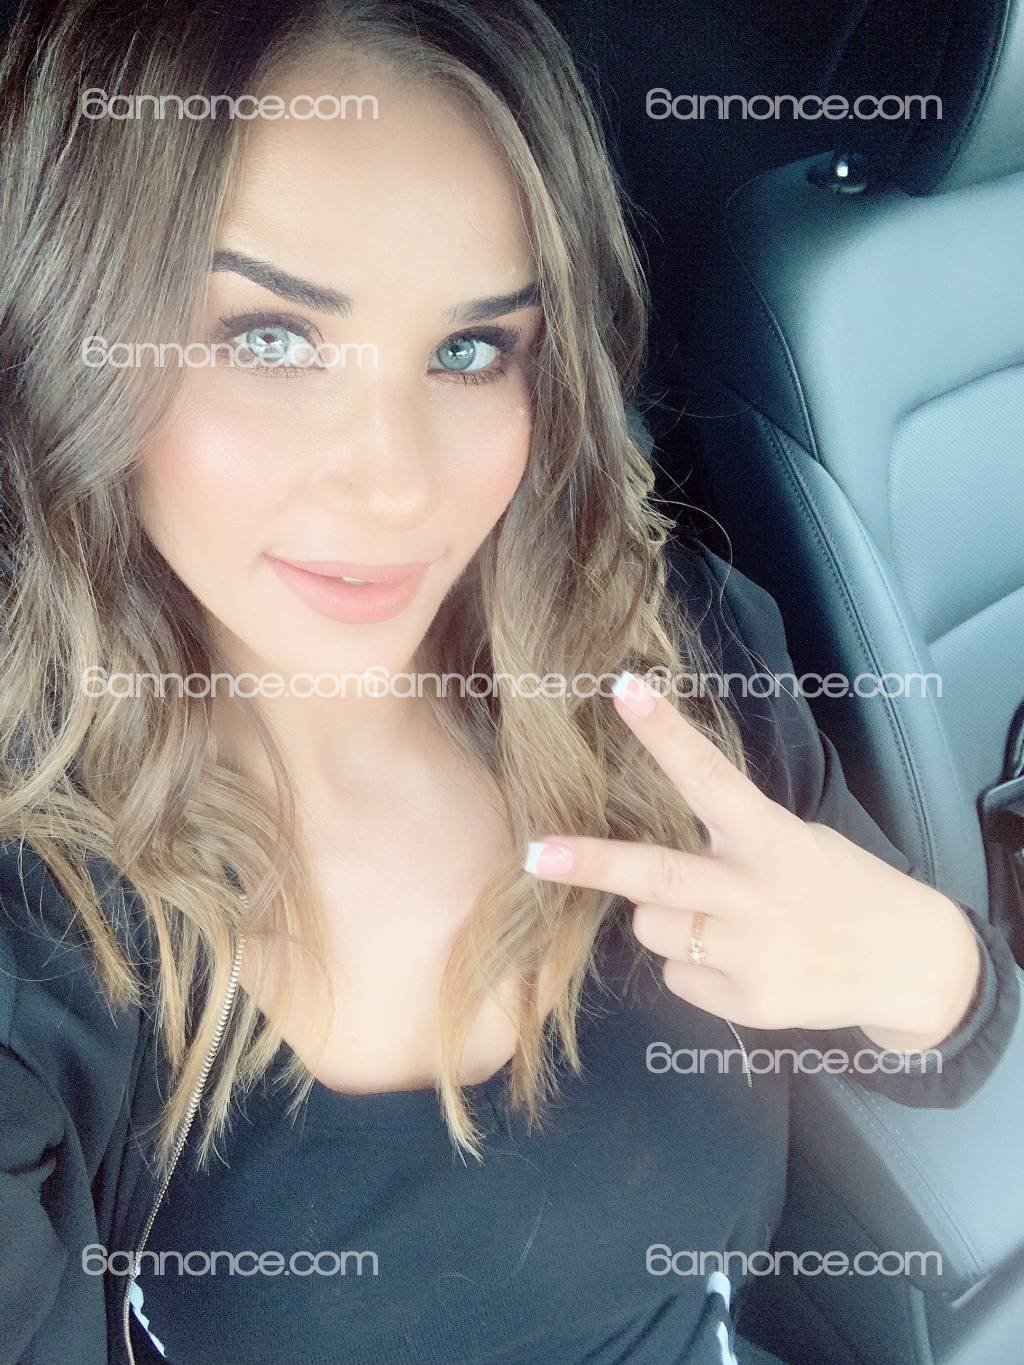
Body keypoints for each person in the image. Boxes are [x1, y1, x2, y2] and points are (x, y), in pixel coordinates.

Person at [0, 2, 1017, 1363]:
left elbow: (948, 1033)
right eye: (269, 338)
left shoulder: (661, 661)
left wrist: (923, 966)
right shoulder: (39, 915)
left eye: (471, 350)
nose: (396, 484)